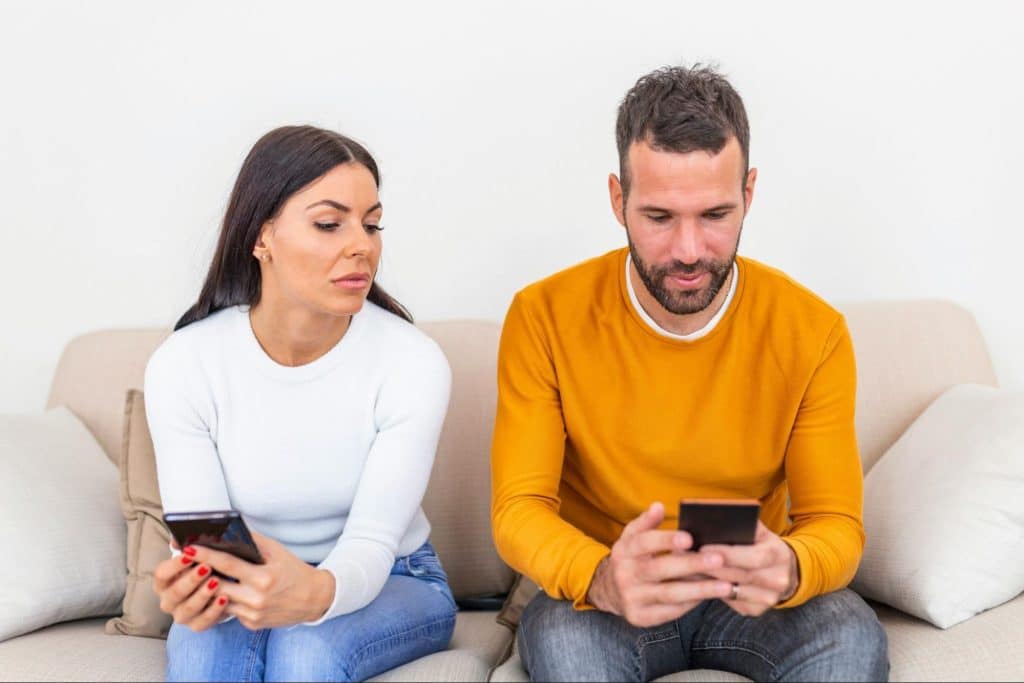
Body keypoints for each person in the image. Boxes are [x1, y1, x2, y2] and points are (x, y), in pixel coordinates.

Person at [491, 65, 889, 682]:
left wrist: (789, 567)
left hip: (747, 597)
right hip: (605, 595)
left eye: (714, 214)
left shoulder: (813, 332)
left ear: (749, 194)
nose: (687, 250)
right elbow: (519, 508)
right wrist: (599, 577)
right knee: (565, 643)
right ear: (618, 200)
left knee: (850, 632)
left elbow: (835, 524)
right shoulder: (543, 317)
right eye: (658, 218)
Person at [145, 125, 456, 682]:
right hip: (248, 575)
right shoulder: (185, 363)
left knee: (304, 651)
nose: (362, 244)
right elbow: (206, 535)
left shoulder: (413, 362)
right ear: (261, 237)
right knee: (200, 660)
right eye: (329, 223)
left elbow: (372, 541)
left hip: (396, 577)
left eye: (372, 223)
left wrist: (311, 595)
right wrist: (194, 581)